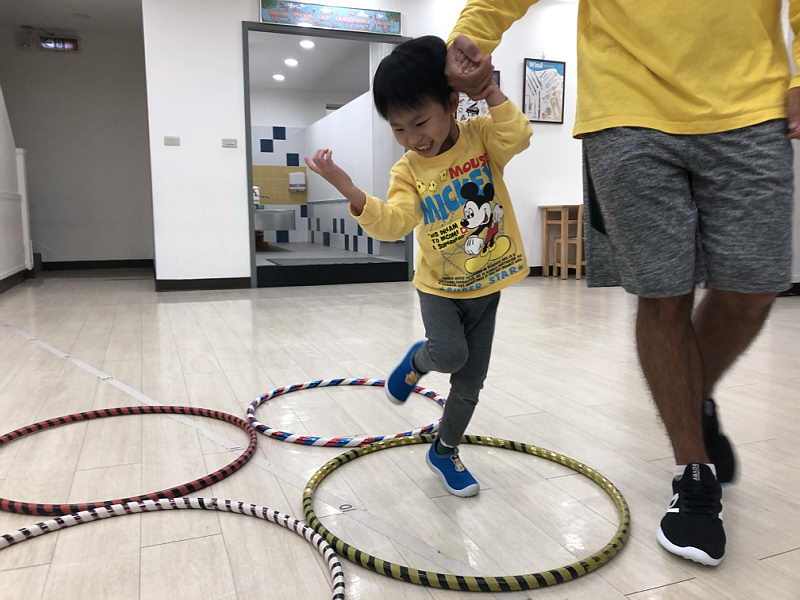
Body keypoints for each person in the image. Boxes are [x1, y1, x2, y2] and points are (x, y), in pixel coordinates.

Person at [444, 0, 798, 566]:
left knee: (755, 288)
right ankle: (694, 472)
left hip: (753, 104)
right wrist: (472, 34)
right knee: (662, 294)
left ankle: (693, 396)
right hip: (626, 107)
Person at [305, 35, 532, 497]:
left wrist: (489, 90)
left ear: (451, 103)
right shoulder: (407, 169)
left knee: (470, 383)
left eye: (421, 122)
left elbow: (519, 135)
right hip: (439, 286)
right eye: (399, 129)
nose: (413, 138)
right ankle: (418, 360)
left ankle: (444, 451)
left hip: (486, 283)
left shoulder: (482, 138)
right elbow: (394, 223)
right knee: (448, 355)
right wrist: (350, 190)